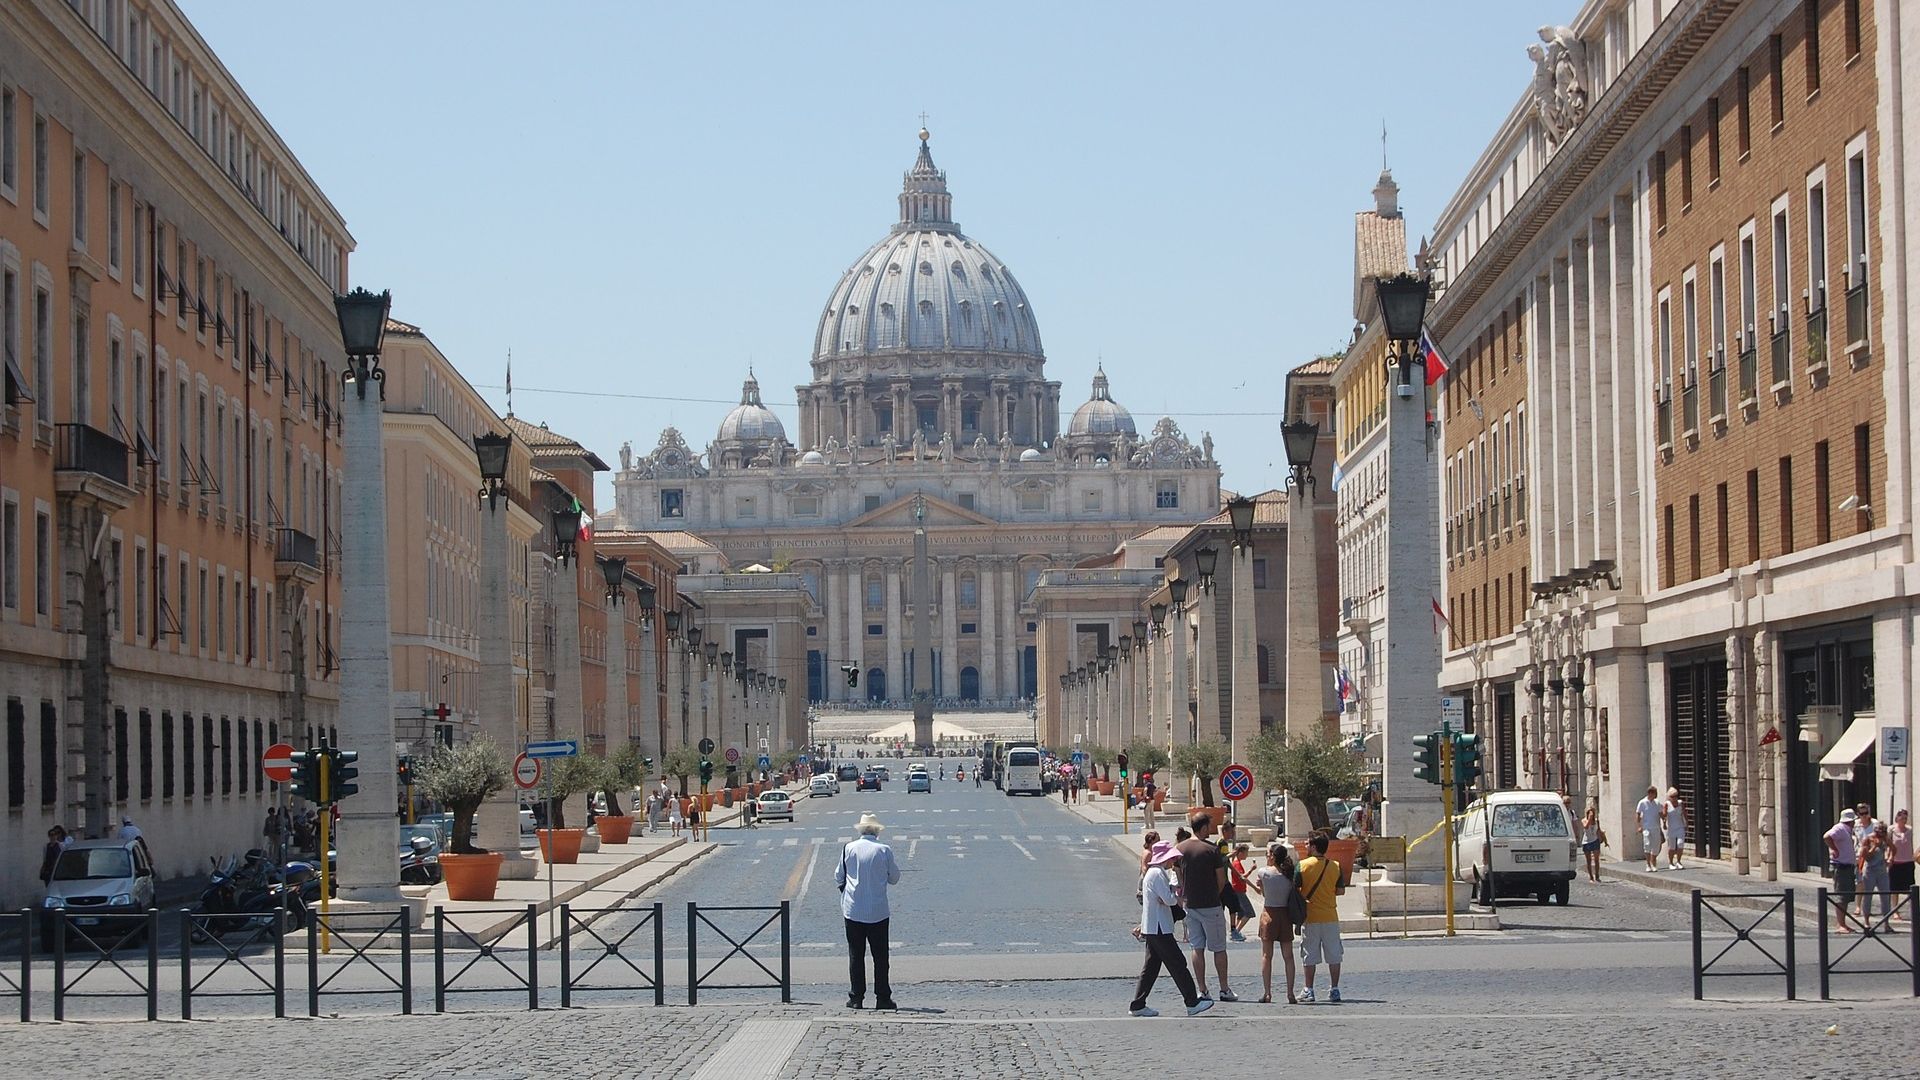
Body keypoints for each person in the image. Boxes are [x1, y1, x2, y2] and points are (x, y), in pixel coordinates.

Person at [1129, 840, 1212, 1017]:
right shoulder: (1157, 874)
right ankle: (1191, 1002)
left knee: (1151, 968)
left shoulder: (1153, 873)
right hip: (1160, 928)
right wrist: (1173, 895)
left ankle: (1138, 1004)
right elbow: (1169, 900)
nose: (1172, 862)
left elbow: (1162, 900)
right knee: (1178, 964)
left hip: (1155, 927)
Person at [835, 812, 901, 1010]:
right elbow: (895, 878)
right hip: (878, 911)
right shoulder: (884, 850)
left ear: (861, 830)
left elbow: (838, 876)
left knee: (856, 955)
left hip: (853, 909)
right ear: (877, 831)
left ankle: (856, 998)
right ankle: (882, 997)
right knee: (881, 957)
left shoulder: (849, 848)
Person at [1176, 813, 1237, 1002]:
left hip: (1190, 904)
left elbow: (1178, 877)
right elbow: (1221, 879)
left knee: (1197, 947)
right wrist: (1214, 894)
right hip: (1211, 905)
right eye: (1209, 826)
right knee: (1219, 948)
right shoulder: (1211, 850)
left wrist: (1186, 894)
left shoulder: (1180, 849)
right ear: (1203, 828)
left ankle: (1202, 989)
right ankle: (1224, 989)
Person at [1296, 831, 1345, 1003]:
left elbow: (1295, 890)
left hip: (1310, 917)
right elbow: (1340, 890)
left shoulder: (1302, 866)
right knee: (1334, 954)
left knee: (1309, 955)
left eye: (1308, 844)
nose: (1306, 846)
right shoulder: (1336, 866)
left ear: (1315, 847)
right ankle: (1335, 989)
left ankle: (1308, 989)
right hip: (1330, 915)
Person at [1250, 841, 1300, 1004]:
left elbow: (1264, 893)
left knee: (1266, 955)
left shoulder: (1264, 872)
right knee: (1288, 956)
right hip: (1285, 914)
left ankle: (1267, 993)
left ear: (1272, 856)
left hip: (1269, 913)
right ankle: (1290, 993)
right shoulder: (1289, 874)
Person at [1825, 809, 1859, 933]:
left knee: (1846, 896)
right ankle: (1840, 924)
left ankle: (1843, 923)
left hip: (1847, 866)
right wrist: (1834, 849)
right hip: (1841, 867)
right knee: (1841, 896)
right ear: (1850, 821)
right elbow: (1827, 836)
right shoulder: (1840, 828)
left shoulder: (1847, 830)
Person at [1858, 821, 1892, 930]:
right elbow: (1865, 856)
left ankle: (1886, 923)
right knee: (1868, 895)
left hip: (1882, 871)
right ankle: (1866, 921)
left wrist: (1890, 858)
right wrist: (1874, 847)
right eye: (1879, 832)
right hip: (1870, 871)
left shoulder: (1885, 839)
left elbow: (1894, 848)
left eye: (1883, 832)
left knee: (1886, 896)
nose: (1881, 834)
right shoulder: (1868, 839)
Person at [1227, 842, 1255, 942]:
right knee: (1250, 912)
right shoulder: (1236, 864)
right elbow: (1242, 878)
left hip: (1238, 890)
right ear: (1241, 853)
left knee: (1241, 913)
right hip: (1239, 891)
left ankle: (1236, 931)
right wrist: (1255, 888)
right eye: (1246, 852)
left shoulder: (1236, 863)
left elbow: (1241, 877)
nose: (1247, 855)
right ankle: (1236, 932)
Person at [1889, 809, 1913, 920]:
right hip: (1895, 862)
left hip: (1908, 861)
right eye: (1902, 817)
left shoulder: (1910, 830)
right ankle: (1895, 911)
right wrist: (1888, 857)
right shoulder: (1891, 830)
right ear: (1897, 818)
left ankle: (1913, 910)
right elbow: (1888, 845)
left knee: (1910, 888)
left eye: (1905, 818)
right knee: (1894, 888)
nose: (1904, 820)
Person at [1635, 787, 1664, 871]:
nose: (1653, 795)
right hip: (1646, 827)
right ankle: (1648, 864)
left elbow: (1660, 813)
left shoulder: (1657, 803)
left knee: (1656, 846)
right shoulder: (1642, 802)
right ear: (1649, 793)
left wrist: (1664, 821)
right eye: (1652, 793)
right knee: (1647, 845)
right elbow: (1638, 814)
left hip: (1656, 827)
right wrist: (1639, 826)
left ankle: (1653, 863)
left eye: (1654, 794)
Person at [1579, 805, 1609, 883]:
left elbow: (1599, 830)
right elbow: (1586, 827)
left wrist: (1604, 840)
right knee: (1588, 860)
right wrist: (1589, 819)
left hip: (1595, 840)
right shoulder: (1584, 820)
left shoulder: (1596, 821)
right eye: (1589, 812)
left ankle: (1597, 875)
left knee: (1596, 860)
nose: (1591, 814)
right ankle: (1591, 877)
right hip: (1586, 841)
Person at [1663, 790, 1688, 870]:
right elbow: (1664, 815)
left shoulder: (1680, 803)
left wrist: (1686, 823)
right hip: (1671, 828)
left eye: (1675, 796)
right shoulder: (1667, 804)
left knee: (1680, 843)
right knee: (1672, 847)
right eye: (1672, 797)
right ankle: (1671, 862)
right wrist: (1664, 824)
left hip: (1680, 826)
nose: (1674, 798)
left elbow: (1684, 813)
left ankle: (1679, 861)